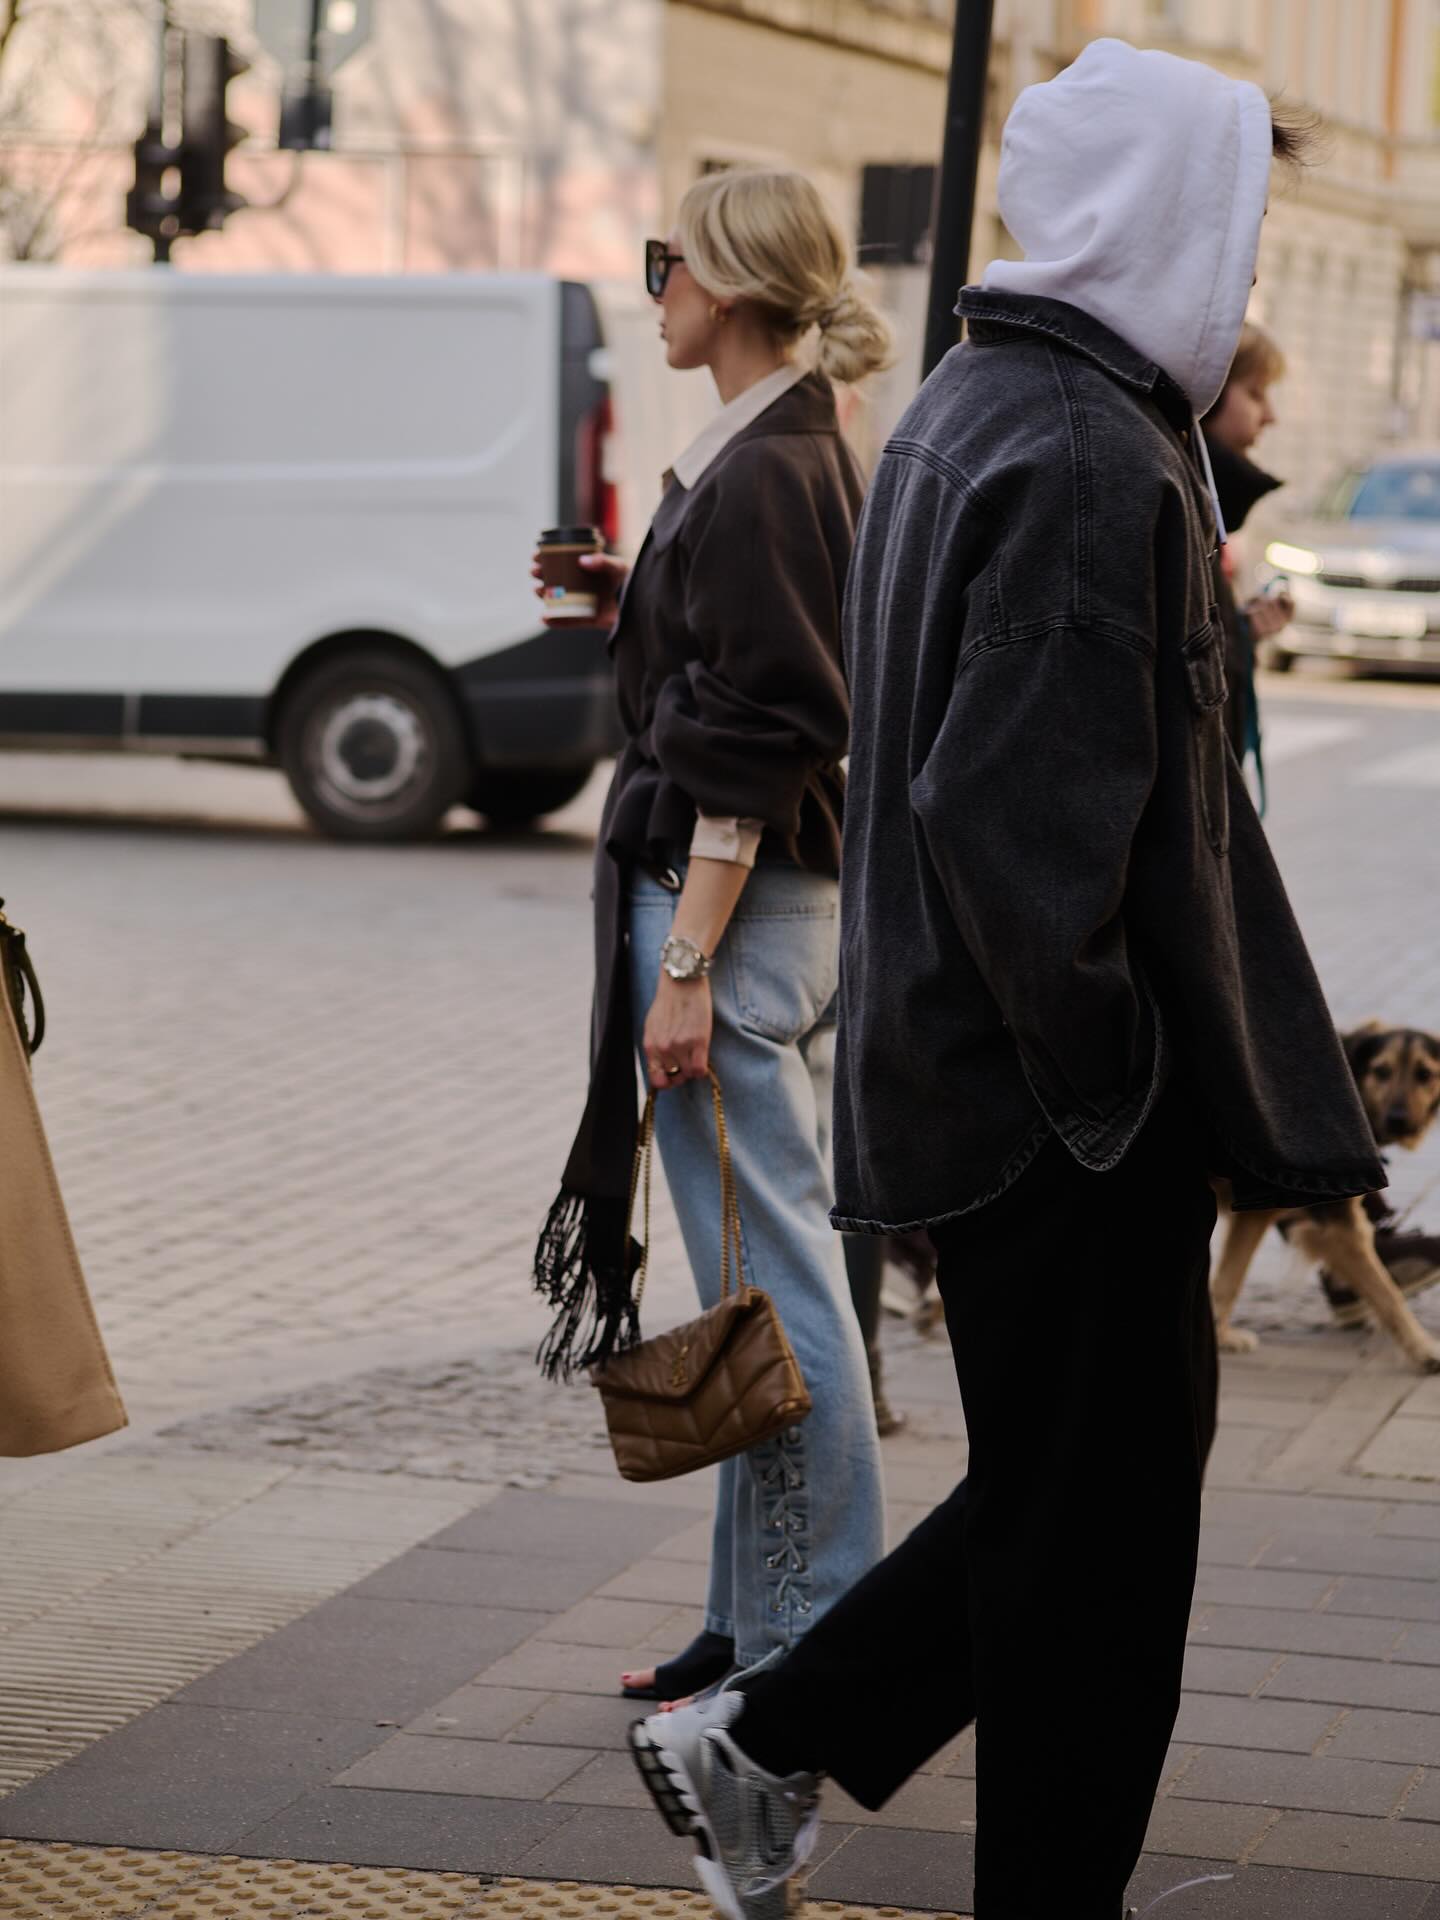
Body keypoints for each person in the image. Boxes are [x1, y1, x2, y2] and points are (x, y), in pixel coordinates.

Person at [627, 41, 1384, 1920]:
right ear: (1167, 215)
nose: (1253, 261)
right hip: (1051, 1109)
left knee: (1079, 1503)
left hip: (988, 1082)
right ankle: (843, 1775)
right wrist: (1120, 1084)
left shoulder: (998, 397)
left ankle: (770, 1735)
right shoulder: (1068, 443)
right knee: (1106, 1550)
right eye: (1241, 218)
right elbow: (1011, 820)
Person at [533, 167, 891, 1706]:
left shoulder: (767, 465)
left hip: (727, 925)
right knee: (756, 1284)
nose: (652, 283)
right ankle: (755, 1621)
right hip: (751, 917)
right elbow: (764, 652)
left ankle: (813, 1649)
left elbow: (768, 723)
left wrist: (684, 966)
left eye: (664, 258)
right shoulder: (776, 446)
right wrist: (641, 596)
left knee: (776, 1287)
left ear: (730, 282)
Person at [1201, 321, 1293, 803]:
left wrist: (1241, 629)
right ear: (1210, 390)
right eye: (1256, 393)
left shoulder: (1205, 503)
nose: (1270, 416)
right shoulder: (1180, 493)